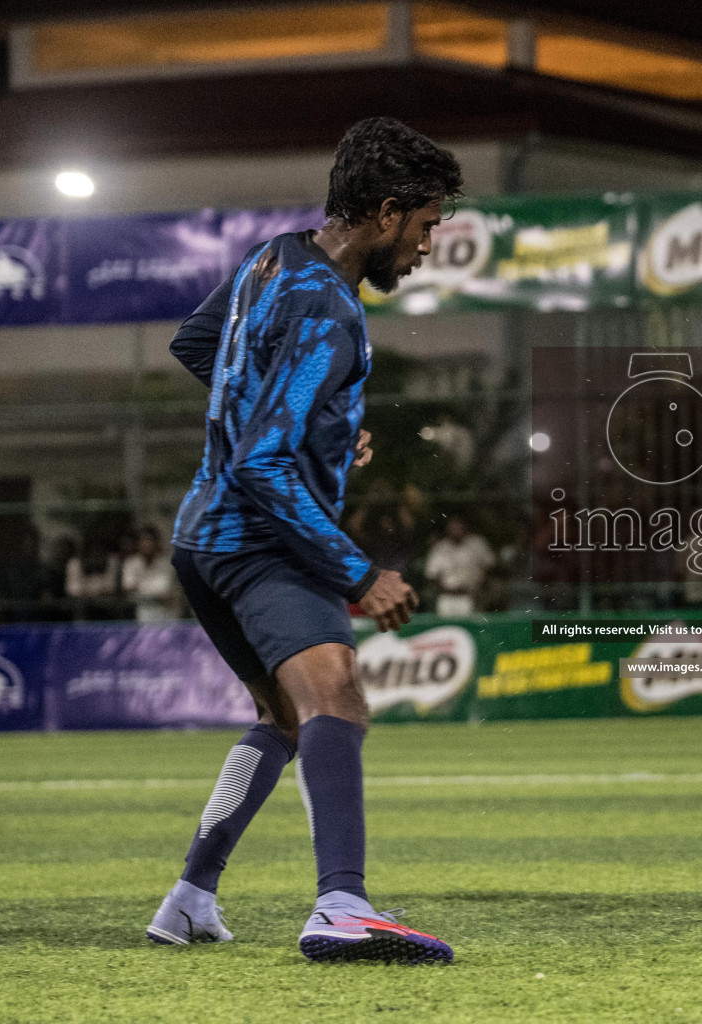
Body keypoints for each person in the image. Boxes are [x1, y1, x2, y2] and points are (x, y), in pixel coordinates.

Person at [146, 117, 462, 964]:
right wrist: (359, 573)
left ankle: (189, 898)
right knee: (339, 702)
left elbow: (197, 344)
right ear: (388, 212)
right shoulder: (330, 306)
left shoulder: (273, 257)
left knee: (283, 719)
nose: (427, 246)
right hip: (262, 541)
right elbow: (263, 465)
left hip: (201, 538)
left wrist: (313, 416)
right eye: (427, 226)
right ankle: (342, 906)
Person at [423, 516, 494, 617]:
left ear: (464, 526)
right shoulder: (440, 548)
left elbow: (489, 566)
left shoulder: (477, 544)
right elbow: (432, 575)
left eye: (458, 526)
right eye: (452, 527)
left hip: (470, 596)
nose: (456, 530)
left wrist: (481, 589)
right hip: (446, 597)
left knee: (471, 629)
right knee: (446, 629)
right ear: (447, 528)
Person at [121, 525, 180, 622]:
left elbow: (166, 589)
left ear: (157, 542)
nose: (146, 544)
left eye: (149, 540)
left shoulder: (167, 564)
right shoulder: (131, 563)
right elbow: (128, 588)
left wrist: (142, 588)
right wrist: (155, 593)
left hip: (168, 614)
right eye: (143, 540)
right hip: (143, 614)